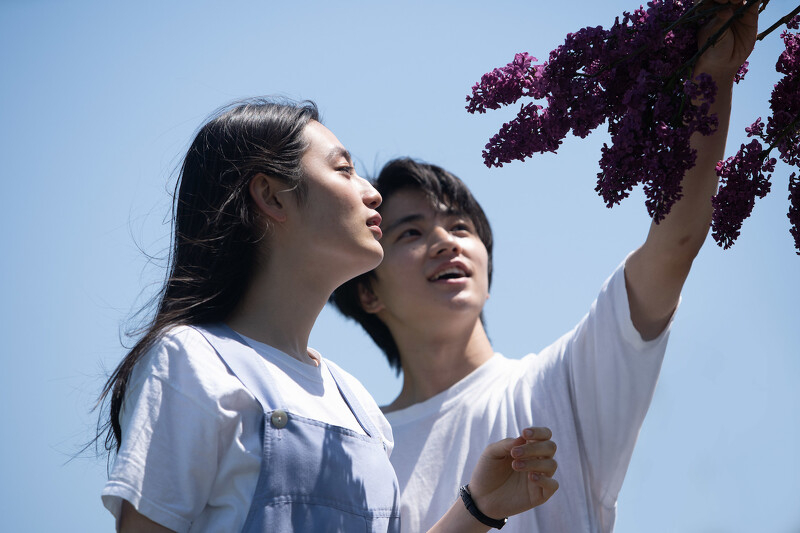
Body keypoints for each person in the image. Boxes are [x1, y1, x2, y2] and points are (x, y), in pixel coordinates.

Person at [331, 2, 760, 532]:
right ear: (366, 292)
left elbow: (675, 244)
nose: (445, 241)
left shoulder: (560, 385)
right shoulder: (357, 451)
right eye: (411, 233)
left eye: (462, 228)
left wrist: (714, 72)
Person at [96, 98, 558, 533]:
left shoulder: (356, 402)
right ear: (272, 197)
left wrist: (477, 507)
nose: (371, 193)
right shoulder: (192, 358)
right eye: (344, 170)